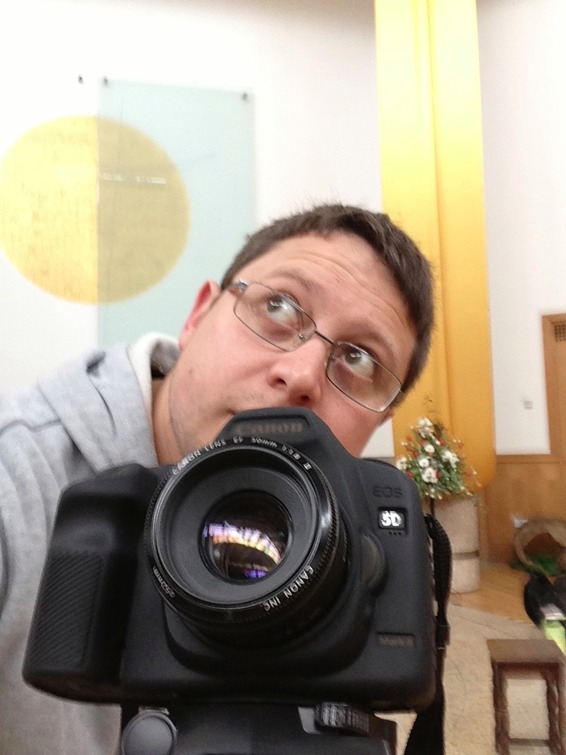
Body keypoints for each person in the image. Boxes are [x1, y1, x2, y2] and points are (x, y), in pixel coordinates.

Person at [0, 203, 434, 754]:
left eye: (361, 359)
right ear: (198, 314)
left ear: (380, 420)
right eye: (278, 306)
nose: (300, 374)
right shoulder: (17, 474)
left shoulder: (354, 529)